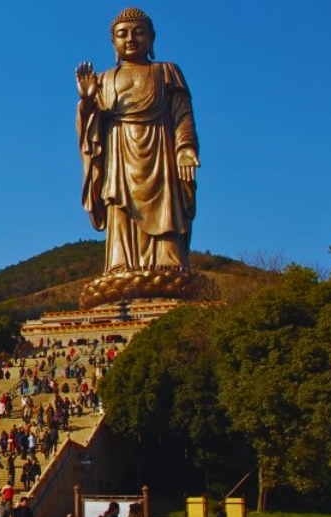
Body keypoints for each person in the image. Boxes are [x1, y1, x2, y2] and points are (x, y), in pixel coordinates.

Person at [75, 7, 201, 301]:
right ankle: (121, 265)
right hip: (119, 153)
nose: (130, 39)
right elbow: (91, 130)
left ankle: (170, 263)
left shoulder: (166, 71)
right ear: (113, 43)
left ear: (152, 38)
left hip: (160, 150)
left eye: (138, 32)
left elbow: (183, 115)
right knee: (119, 208)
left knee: (166, 207)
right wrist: (88, 101)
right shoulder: (105, 78)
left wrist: (185, 149)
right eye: (122, 34)